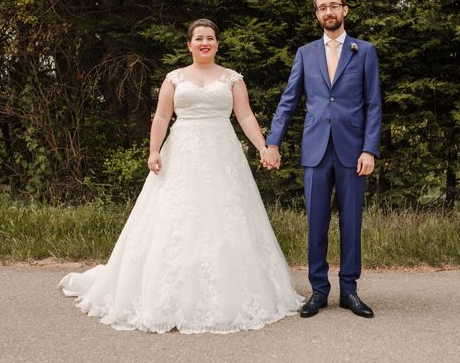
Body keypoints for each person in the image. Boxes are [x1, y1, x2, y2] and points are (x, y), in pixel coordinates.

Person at [58, 19, 302, 334]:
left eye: (210, 38)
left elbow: (244, 115)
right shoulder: (175, 78)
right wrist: (154, 151)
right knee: (175, 219)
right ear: (189, 44)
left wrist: (264, 148)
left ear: (217, 44)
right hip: (181, 152)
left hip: (221, 154)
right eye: (199, 38)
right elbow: (162, 115)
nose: (205, 43)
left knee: (224, 217)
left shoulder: (232, 79)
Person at [261, 0, 381, 318]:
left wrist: (369, 149)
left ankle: (350, 291)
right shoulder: (305, 53)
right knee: (316, 222)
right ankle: (318, 290)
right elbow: (288, 102)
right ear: (317, 14)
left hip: (353, 150)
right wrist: (273, 142)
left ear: (345, 10)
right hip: (315, 149)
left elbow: (373, 105)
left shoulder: (365, 51)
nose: (328, 12)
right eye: (321, 8)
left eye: (333, 6)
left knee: (351, 222)